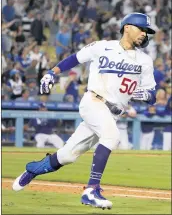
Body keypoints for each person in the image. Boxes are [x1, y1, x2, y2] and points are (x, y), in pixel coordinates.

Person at [13, 13, 157, 210]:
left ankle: (34, 169)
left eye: (147, 31)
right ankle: (91, 190)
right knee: (112, 136)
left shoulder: (145, 61)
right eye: (142, 29)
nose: (144, 34)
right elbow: (74, 59)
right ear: (127, 28)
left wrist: (146, 95)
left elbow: (152, 94)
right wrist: (51, 73)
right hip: (93, 101)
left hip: (112, 113)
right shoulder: (102, 46)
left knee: (67, 155)